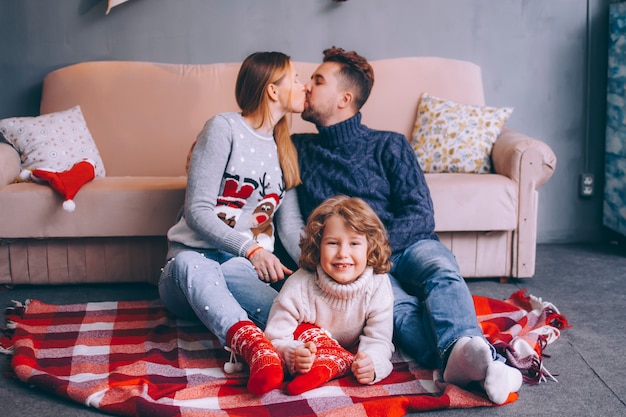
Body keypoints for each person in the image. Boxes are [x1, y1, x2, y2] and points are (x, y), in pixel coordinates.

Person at [291, 46, 523, 405]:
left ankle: (463, 350)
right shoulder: (297, 149)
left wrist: (374, 246)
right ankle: (472, 362)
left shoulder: (389, 145)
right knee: (398, 313)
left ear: (344, 98)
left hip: (408, 245)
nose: (306, 87)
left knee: (442, 270)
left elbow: (420, 214)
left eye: (317, 81)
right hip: (356, 264)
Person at [158, 51, 306, 396]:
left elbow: (290, 225)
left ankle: (298, 350)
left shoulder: (285, 149)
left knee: (289, 317)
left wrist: (319, 271)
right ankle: (253, 348)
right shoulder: (224, 128)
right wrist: (252, 249)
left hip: (239, 269)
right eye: (295, 78)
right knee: (190, 262)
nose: (302, 86)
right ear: (272, 90)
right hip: (188, 271)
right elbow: (197, 210)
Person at [265, 195, 394, 395]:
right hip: (311, 344)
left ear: (370, 247)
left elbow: (380, 339)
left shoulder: (377, 284)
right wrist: (293, 353)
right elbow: (274, 337)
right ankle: (318, 366)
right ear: (318, 245)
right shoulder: (299, 286)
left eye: (354, 244)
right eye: (333, 243)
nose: (343, 253)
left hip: (352, 350)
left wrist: (372, 363)